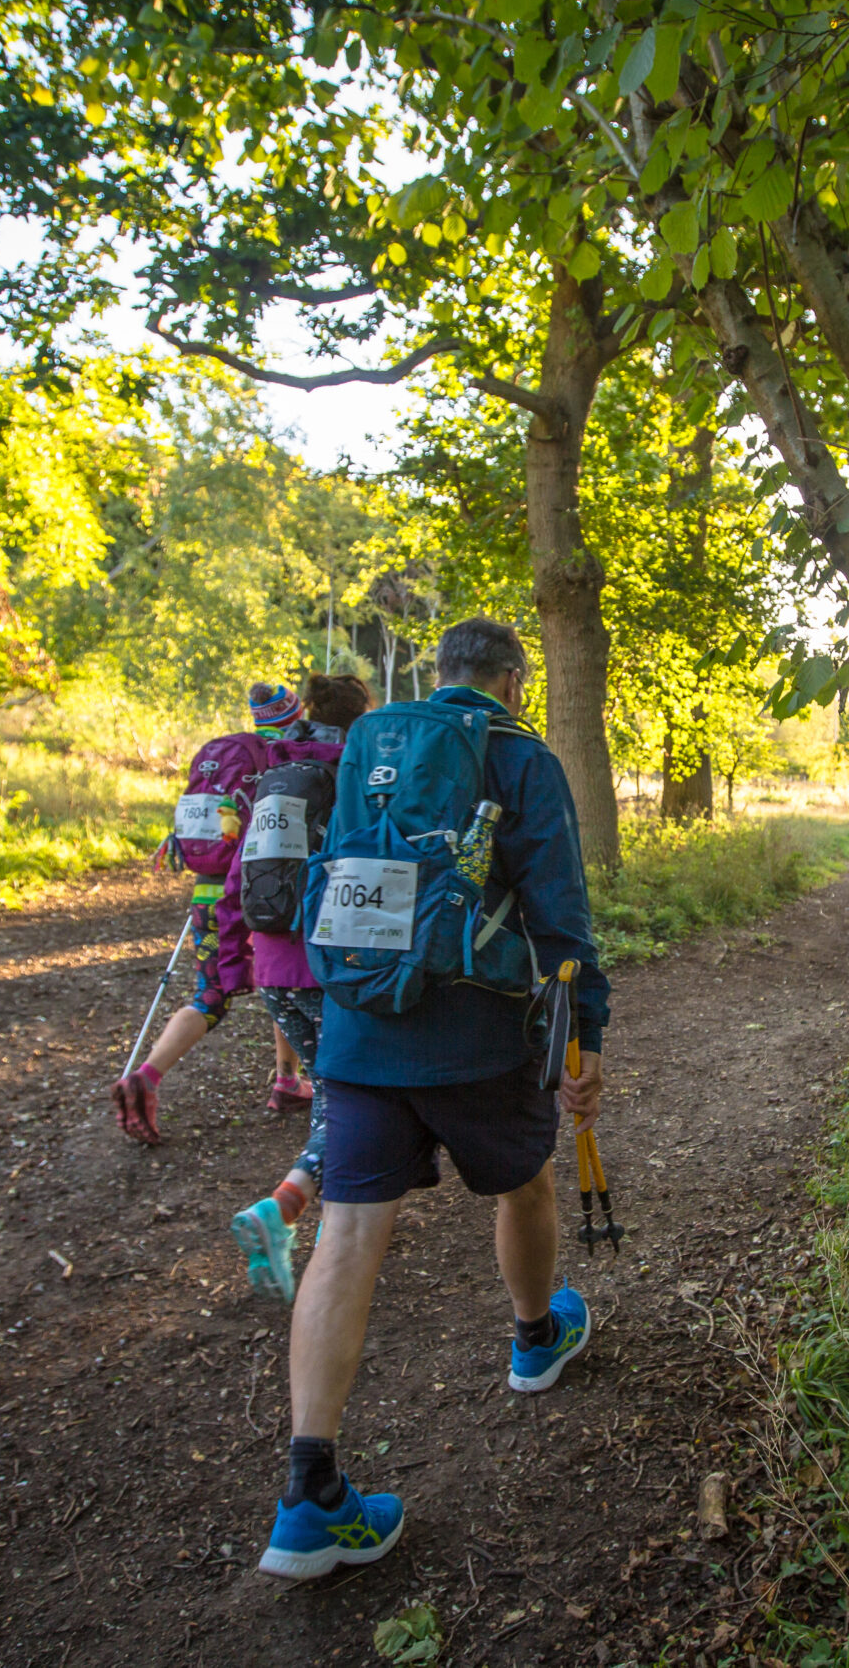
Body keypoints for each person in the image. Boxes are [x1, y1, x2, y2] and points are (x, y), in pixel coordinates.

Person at [257, 618, 607, 1581]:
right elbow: (560, 916)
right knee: (524, 1183)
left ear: (439, 674)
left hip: (358, 1030)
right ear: (513, 679)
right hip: (478, 1035)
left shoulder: (373, 741)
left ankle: (308, 1496)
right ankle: (536, 1340)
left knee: (346, 1237)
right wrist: (588, 1040)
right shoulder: (517, 751)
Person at [111, 681, 312, 1144]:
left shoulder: (224, 759)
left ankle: (152, 1073)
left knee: (210, 994)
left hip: (207, 894)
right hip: (258, 896)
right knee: (282, 982)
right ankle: (286, 1080)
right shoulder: (282, 761)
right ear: (294, 716)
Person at [227, 672, 374, 1303]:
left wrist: (237, 961)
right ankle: (288, 1211)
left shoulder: (274, 779)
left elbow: (240, 879)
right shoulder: (352, 775)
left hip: (273, 972)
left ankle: (308, 1218)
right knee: (347, 1098)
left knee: (331, 1093)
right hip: (326, 969)